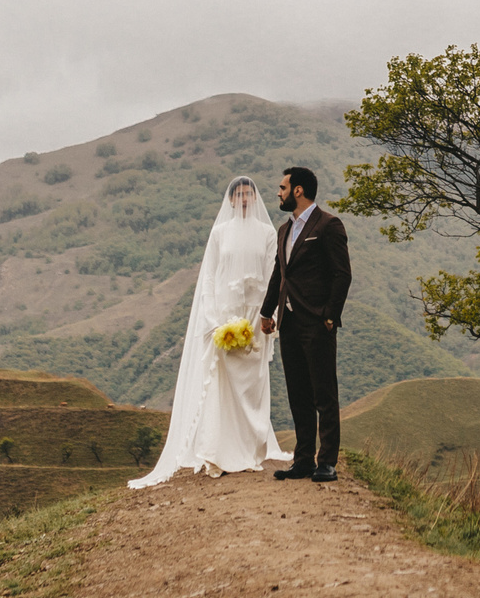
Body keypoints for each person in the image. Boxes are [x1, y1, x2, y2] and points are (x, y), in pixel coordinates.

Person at [127, 177, 290, 486]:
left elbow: (273, 274)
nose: (243, 199)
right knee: (222, 384)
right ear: (230, 200)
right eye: (238, 194)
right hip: (225, 318)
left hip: (256, 317)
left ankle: (251, 449)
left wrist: (269, 316)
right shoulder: (220, 233)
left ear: (255, 198)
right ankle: (220, 451)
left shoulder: (268, 233)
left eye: (248, 194)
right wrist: (213, 319)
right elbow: (211, 279)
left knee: (253, 384)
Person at [260, 164, 349, 482]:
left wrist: (329, 316)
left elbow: (342, 274)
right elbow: (278, 274)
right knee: (297, 392)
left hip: (316, 323)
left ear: (298, 190)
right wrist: (266, 312)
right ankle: (303, 460)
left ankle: (326, 462)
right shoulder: (284, 230)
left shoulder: (328, 225)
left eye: (282, 188)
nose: (278, 193)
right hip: (289, 323)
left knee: (324, 393)